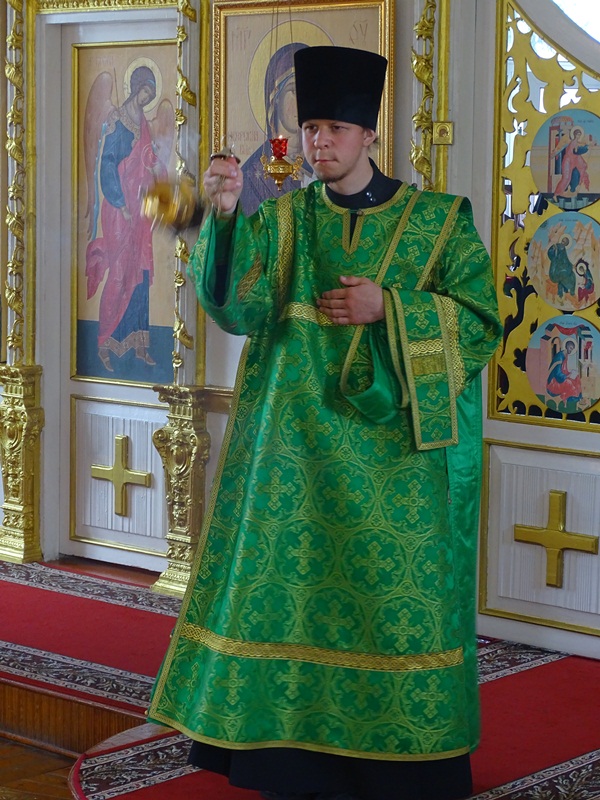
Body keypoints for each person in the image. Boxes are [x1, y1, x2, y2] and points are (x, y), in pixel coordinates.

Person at [148, 46, 502, 800]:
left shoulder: (439, 222)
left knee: (389, 612)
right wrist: (222, 216)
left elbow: (479, 325)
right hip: (293, 461)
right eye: (310, 128)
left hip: (397, 471)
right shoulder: (283, 220)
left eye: (335, 129)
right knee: (290, 601)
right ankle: (288, 763)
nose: (319, 143)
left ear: (369, 134)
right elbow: (237, 306)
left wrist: (389, 307)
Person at [85, 65, 167, 372]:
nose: (145, 98)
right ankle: (104, 341)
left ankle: (139, 345)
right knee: (119, 274)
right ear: (135, 88)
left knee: (141, 274)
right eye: (143, 91)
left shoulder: (143, 123)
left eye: (150, 94)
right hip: (120, 210)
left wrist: (157, 167)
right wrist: (121, 204)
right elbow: (107, 165)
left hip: (140, 211)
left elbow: (147, 160)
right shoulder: (117, 121)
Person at [240, 41, 313, 216]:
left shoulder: (323, 166)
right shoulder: (252, 177)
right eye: (294, 90)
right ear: (275, 99)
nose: (303, 100)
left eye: (309, 91)